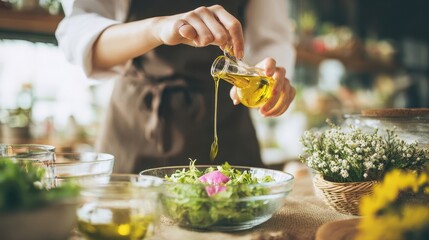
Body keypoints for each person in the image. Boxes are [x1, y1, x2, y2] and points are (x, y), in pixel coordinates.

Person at [56, 0, 296, 173]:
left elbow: (271, 39)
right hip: (136, 125)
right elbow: (80, 35)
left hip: (226, 125)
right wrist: (157, 29)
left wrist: (268, 72)